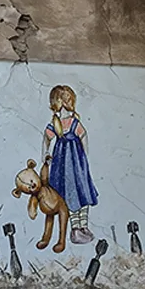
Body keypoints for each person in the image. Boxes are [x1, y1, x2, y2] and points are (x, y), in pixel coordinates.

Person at [42, 85, 98, 244]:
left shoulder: (74, 122)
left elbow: (83, 135)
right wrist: (45, 154)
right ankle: (75, 229)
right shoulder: (56, 123)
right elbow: (46, 138)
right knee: (69, 194)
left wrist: (84, 156)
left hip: (77, 165)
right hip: (63, 166)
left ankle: (83, 226)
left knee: (82, 192)